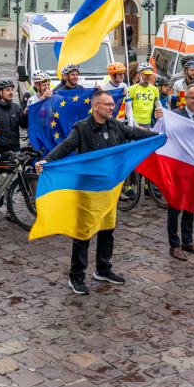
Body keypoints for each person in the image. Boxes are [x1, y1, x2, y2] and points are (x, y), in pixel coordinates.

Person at [35, 89, 157, 294]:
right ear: (95, 106)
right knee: (83, 232)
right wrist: (48, 160)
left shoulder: (116, 125)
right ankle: (76, 276)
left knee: (107, 230)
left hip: (109, 189)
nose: (112, 107)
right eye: (108, 105)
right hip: (87, 190)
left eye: (112, 104)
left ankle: (103, 269)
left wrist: (158, 136)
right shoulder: (82, 128)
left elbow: (134, 133)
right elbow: (67, 146)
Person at [168, 84, 194, 260]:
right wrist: (159, 116)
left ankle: (187, 240)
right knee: (175, 206)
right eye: (193, 98)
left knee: (190, 205)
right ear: (185, 98)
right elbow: (163, 127)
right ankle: (174, 245)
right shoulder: (175, 115)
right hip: (179, 167)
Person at [0, 79, 25, 155]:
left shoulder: (17, 108)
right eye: (8, 90)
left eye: (12, 90)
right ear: (0, 92)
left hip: (15, 150)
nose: (11, 92)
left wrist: (25, 115)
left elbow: (23, 125)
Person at [129, 63, 164, 129]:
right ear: (139, 74)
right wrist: (136, 125)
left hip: (148, 123)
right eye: (146, 74)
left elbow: (160, 107)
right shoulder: (132, 89)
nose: (148, 76)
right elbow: (128, 109)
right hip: (135, 123)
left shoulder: (155, 89)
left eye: (150, 74)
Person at [101, 62, 135, 126]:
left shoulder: (124, 86)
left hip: (121, 123)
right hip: (109, 123)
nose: (122, 76)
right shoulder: (104, 88)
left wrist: (130, 124)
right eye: (120, 74)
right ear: (112, 76)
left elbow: (129, 107)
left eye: (123, 74)